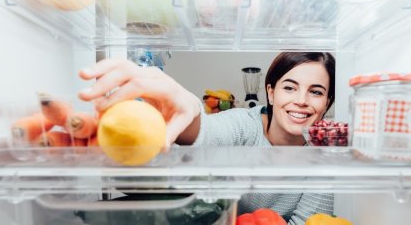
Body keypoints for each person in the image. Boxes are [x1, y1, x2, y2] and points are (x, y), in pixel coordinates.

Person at [78, 52, 335, 225]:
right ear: (270, 92)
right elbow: (207, 132)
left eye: (316, 92)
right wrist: (185, 109)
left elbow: (309, 222)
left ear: (327, 102)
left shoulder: (324, 158)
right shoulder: (245, 124)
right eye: (289, 87)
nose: (301, 100)